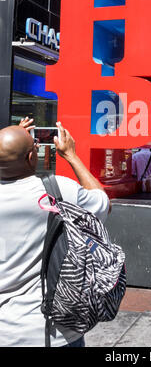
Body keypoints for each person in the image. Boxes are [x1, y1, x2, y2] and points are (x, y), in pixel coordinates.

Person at [0, 121, 110, 347]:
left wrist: (13, 141)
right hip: (53, 330)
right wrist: (71, 156)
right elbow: (103, 203)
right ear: (32, 158)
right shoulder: (58, 190)